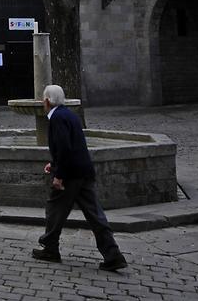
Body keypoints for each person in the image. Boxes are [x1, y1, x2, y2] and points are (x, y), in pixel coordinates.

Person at [31, 84, 128, 272]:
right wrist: (55, 164)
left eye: (44, 99)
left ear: (48, 101)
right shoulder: (70, 115)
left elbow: (65, 148)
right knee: (95, 214)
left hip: (71, 175)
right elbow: (72, 147)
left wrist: (59, 175)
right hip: (84, 171)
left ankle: (50, 248)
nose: (43, 103)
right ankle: (113, 254)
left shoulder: (57, 118)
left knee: (54, 210)